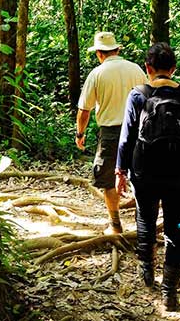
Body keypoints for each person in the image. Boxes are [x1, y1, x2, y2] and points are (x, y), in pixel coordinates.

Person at [115, 42, 180, 311]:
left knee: (145, 218)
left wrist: (121, 171)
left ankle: (147, 272)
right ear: (173, 68)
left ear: (147, 68)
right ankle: (170, 292)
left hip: (145, 171)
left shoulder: (138, 94)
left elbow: (126, 137)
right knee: (176, 228)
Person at [76, 31, 147, 235]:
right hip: (138, 130)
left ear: (99, 53)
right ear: (116, 49)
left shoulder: (97, 74)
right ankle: (142, 224)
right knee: (139, 177)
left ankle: (115, 225)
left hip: (111, 133)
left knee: (108, 179)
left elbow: (84, 109)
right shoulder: (136, 70)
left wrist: (80, 134)